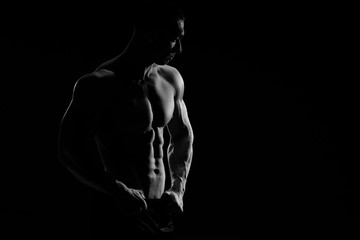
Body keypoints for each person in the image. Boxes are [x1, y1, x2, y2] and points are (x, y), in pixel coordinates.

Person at [57, 0, 193, 238]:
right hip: (119, 209)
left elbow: (182, 134)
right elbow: (68, 149)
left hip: (161, 211)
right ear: (151, 33)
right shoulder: (99, 84)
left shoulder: (171, 79)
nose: (179, 48)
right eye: (174, 38)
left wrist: (178, 189)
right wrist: (117, 190)